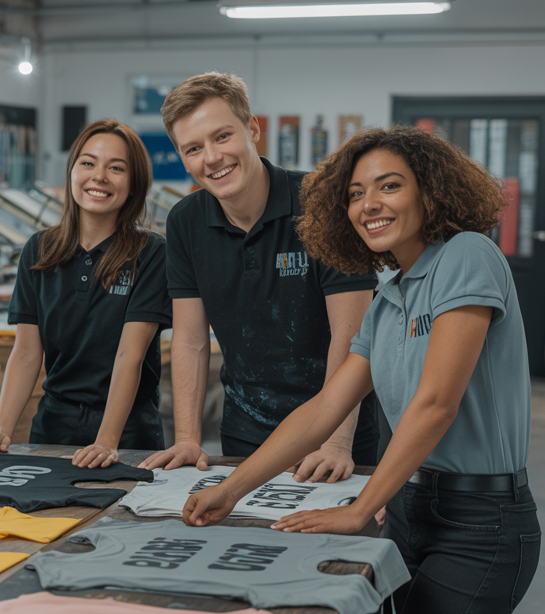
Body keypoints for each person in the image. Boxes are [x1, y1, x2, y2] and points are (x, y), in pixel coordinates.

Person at [184, 126, 540, 614]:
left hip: (482, 529)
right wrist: (231, 489)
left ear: (431, 193)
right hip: (413, 512)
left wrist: (361, 508)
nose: (369, 204)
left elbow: (435, 405)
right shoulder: (391, 292)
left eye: (389, 186)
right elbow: (324, 410)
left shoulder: (467, 256)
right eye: (355, 193)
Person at [141, 72, 379, 482]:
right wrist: (187, 438)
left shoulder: (321, 204)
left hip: (339, 433)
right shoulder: (186, 221)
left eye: (222, 137)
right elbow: (191, 339)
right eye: (193, 148)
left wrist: (336, 442)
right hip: (246, 433)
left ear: (252, 129)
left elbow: (353, 334)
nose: (211, 158)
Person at [0, 120, 170, 466]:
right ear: (72, 171)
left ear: (135, 184)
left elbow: (130, 356)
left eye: (116, 168)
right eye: (88, 163)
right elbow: (27, 353)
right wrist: (1, 429)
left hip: (128, 431)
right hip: (52, 426)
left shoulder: (150, 252)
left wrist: (106, 441)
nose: (99, 176)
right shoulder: (39, 249)